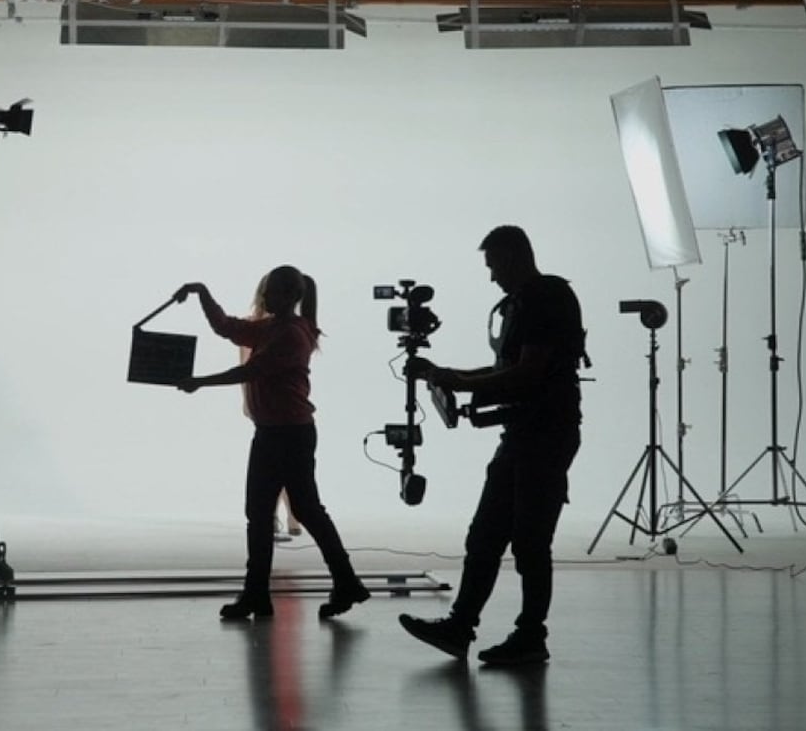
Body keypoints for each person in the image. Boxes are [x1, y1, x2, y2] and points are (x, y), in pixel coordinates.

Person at [399, 226, 584, 666]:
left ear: (514, 257)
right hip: (522, 433)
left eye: (494, 266)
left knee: (530, 541)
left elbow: (528, 373)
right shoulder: (524, 303)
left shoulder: (545, 299)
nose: (492, 277)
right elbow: (507, 368)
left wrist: (458, 381)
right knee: (485, 535)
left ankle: (530, 636)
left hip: (545, 435)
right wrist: (448, 375)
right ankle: (460, 627)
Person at [175, 265, 369, 621]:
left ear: (291, 295)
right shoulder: (274, 328)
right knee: (290, 511)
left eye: (273, 291)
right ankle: (337, 583)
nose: (265, 296)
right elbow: (226, 327)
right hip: (281, 433)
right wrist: (202, 292)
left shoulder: (290, 334)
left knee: (273, 513)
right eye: (266, 290)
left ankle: (268, 593)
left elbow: (250, 370)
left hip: (286, 435)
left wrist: (200, 381)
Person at [238, 274, 302, 541]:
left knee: (275, 468)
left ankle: (286, 515)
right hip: (274, 406)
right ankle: (285, 515)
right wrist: (247, 399)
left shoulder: (287, 327)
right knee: (280, 468)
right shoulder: (265, 327)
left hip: (278, 407)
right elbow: (245, 367)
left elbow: (245, 368)